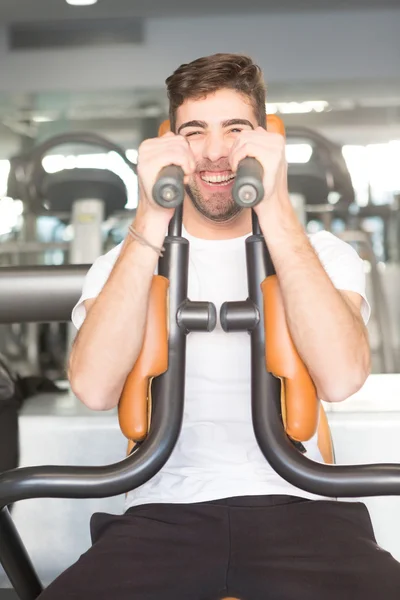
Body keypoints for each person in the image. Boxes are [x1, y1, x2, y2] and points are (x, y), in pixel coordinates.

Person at [40, 53, 400, 600]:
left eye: (236, 129)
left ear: (264, 138)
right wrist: (150, 219)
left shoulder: (321, 254)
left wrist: (275, 209)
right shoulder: (124, 262)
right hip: (162, 514)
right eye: (194, 132)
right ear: (171, 143)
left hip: (303, 507)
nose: (214, 151)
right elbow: (93, 388)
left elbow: (343, 376)